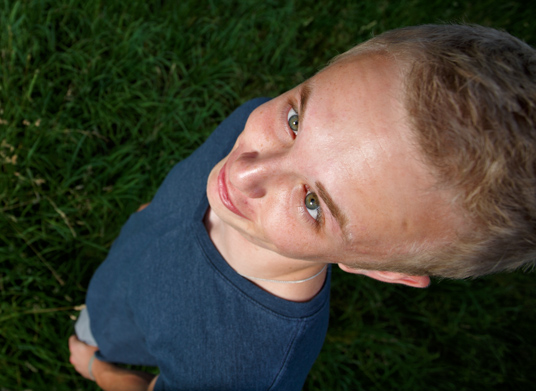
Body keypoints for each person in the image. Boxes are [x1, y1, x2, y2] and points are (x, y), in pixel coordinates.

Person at [68, 24, 536, 390]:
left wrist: (101, 370)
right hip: (130, 259)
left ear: (381, 269)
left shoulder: (240, 372)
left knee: (94, 324)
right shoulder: (249, 130)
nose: (244, 172)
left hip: (115, 328)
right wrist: (155, 212)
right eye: (295, 119)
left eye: (313, 204)